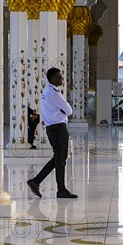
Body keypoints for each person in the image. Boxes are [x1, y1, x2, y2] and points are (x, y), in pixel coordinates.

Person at [27, 68, 77, 199]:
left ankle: (36, 181)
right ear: (53, 78)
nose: (61, 79)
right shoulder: (55, 94)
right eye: (59, 77)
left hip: (51, 128)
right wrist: (63, 110)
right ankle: (60, 190)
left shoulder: (46, 91)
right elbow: (69, 111)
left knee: (57, 159)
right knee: (60, 160)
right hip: (59, 128)